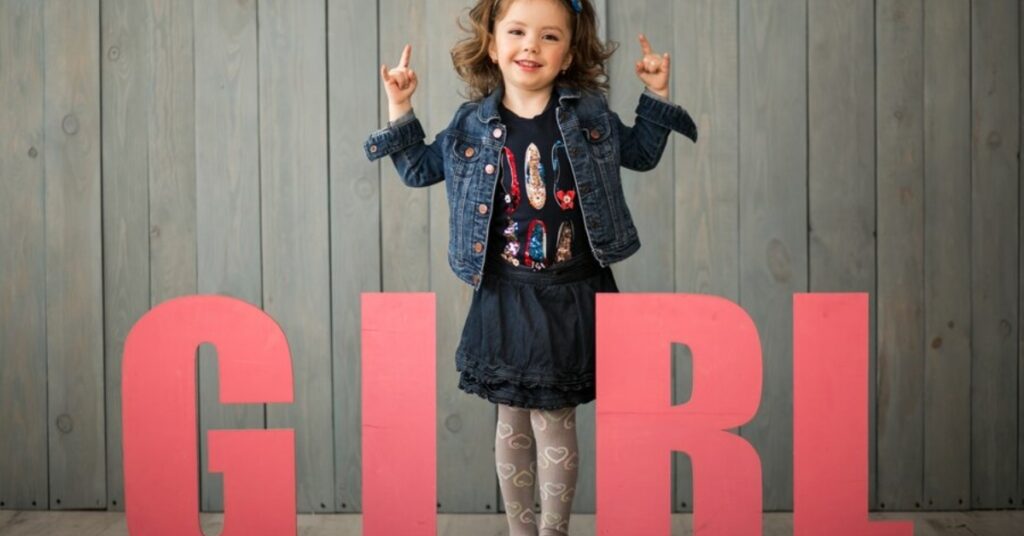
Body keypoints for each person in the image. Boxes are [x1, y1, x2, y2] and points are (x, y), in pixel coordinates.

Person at [363, 0, 697, 533]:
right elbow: (420, 168)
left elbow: (639, 153)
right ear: (493, 46)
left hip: (568, 292)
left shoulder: (588, 115)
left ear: (567, 55)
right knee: (511, 417)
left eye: (549, 37)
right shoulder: (471, 124)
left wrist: (656, 93)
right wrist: (399, 107)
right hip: (503, 291)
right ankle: (522, 530)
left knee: (553, 416)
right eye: (517, 32)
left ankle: (552, 532)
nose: (531, 47)